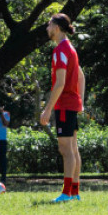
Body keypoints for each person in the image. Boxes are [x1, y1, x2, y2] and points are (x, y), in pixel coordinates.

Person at [38, 12, 85, 203]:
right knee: (73, 149)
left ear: (56, 28)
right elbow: (81, 77)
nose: (47, 29)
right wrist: (79, 101)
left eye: (49, 25)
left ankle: (66, 193)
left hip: (64, 104)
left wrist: (47, 109)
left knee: (66, 150)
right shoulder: (70, 48)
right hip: (71, 104)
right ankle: (74, 193)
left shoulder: (60, 50)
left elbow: (60, 83)